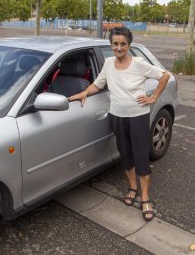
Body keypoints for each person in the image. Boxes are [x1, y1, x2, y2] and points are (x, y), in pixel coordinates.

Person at [68, 27, 170, 221]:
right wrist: (84, 92)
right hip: (117, 116)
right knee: (126, 154)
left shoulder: (139, 63)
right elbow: (98, 84)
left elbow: (164, 76)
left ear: (129, 45)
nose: (119, 47)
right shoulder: (108, 63)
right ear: (111, 45)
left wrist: (153, 97)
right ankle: (132, 187)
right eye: (115, 43)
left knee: (141, 156)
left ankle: (145, 197)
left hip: (138, 116)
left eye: (123, 44)